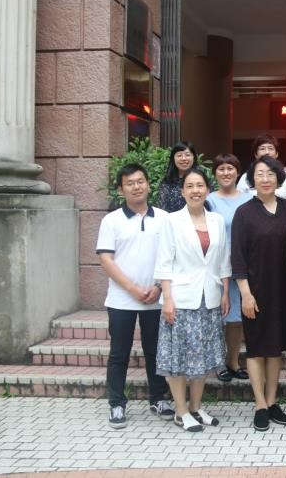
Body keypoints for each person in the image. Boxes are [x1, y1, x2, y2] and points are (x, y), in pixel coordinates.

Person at [97, 163, 174, 428]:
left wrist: (158, 287)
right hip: (121, 300)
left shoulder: (164, 219)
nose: (136, 187)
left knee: (155, 352)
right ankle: (117, 404)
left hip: (156, 299)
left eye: (140, 181)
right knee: (119, 353)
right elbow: (106, 260)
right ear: (121, 189)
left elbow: (171, 257)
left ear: (148, 185)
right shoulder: (111, 220)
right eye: (129, 183)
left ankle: (158, 398)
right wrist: (132, 289)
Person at [154, 167, 230, 432]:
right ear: (182, 191)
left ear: (207, 190)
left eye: (200, 186)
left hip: (210, 297)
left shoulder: (217, 220)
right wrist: (167, 298)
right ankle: (181, 410)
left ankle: (196, 407)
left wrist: (225, 292)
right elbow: (164, 262)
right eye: (190, 186)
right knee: (179, 357)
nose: (195, 190)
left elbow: (223, 260)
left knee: (205, 355)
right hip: (181, 299)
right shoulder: (172, 221)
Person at [231, 155, 286, 431]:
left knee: (275, 348)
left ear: (279, 178)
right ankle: (259, 404)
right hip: (255, 291)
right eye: (260, 174)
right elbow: (237, 257)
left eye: (271, 174)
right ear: (252, 179)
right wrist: (245, 294)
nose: (266, 179)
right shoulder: (244, 213)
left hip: (284, 290)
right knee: (257, 348)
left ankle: (272, 401)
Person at [206, 153, 252, 383]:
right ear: (215, 173)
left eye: (230, 168)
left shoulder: (249, 199)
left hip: (242, 266)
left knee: (235, 319)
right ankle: (217, 363)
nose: (226, 173)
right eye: (221, 169)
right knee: (216, 317)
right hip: (216, 267)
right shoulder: (208, 200)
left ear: (237, 172)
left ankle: (232, 362)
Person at [236, 134, 286, 203]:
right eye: (262, 149)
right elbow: (238, 202)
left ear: (276, 154)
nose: (267, 152)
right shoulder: (246, 177)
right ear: (256, 154)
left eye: (270, 148)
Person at [157, 141, 199, 212]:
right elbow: (162, 210)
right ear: (173, 159)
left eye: (187, 155)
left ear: (193, 157)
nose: (184, 158)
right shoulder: (166, 183)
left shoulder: (201, 180)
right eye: (179, 155)